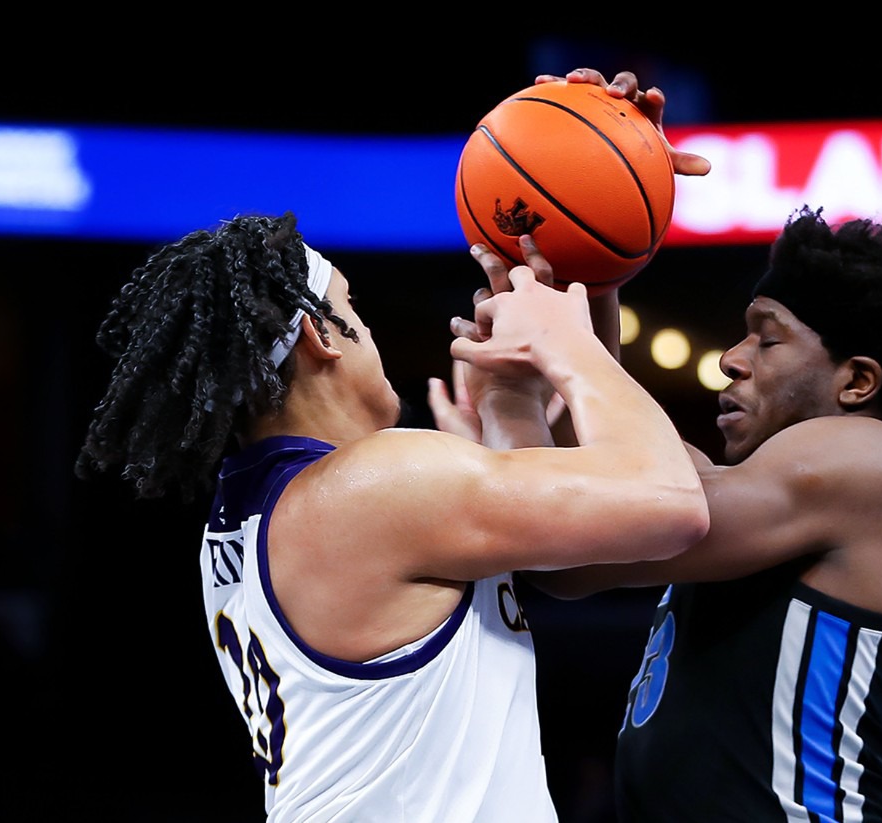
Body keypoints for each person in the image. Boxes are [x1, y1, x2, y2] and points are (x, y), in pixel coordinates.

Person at [429, 68, 882, 823]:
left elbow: (602, 523)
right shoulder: (736, 492)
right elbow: (568, 555)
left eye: (768, 336)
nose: (732, 357)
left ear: (857, 380)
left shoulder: (877, 466)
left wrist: (557, 361)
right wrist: (587, 254)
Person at [73, 210, 710, 822]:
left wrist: (514, 398)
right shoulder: (367, 488)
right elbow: (670, 501)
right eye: (354, 309)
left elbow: (548, 541)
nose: (370, 332)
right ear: (318, 334)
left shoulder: (264, 512)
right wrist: (566, 345)